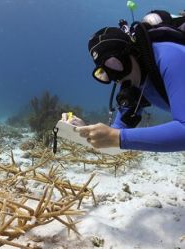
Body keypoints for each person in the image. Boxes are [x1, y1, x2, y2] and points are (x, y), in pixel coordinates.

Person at [62, 10, 185, 152]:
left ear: (132, 52)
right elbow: (114, 136)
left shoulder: (172, 57)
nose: (116, 78)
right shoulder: (134, 79)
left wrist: (117, 137)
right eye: (104, 73)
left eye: (114, 64)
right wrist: (84, 130)